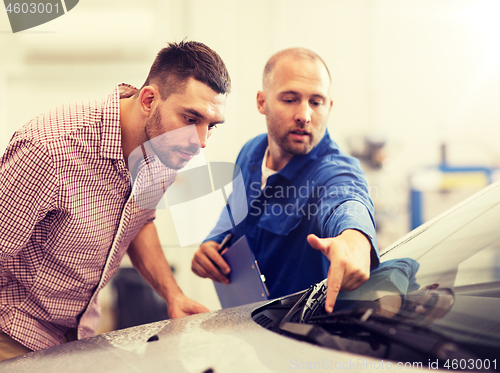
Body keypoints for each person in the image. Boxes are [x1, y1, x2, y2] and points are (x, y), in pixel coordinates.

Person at [0, 40, 230, 361]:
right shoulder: (49, 149)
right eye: (191, 119)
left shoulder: (163, 153)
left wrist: (172, 295)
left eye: (211, 126)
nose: (201, 143)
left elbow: (138, 223)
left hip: (79, 337)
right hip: (13, 331)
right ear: (149, 99)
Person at [191, 48, 379, 313]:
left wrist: (355, 238)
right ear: (262, 102)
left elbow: (347, 200)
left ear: (329, 107)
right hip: (248, 324)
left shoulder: (333, 171)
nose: (305, 115)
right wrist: (214, 241)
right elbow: (236, 210)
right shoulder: (250, 153)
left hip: (302, 338)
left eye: (316, 102)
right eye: (290, 99)